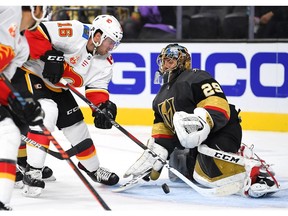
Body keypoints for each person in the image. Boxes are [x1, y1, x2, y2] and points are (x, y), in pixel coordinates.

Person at [124, 43, 279, 198]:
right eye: (164, 61)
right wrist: (156, 152)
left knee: (206, 175)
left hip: (222, 130)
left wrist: (202, 121)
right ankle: (228, 158)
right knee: (180, 172)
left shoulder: (195, 76)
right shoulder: (159, 98)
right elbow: (163, 133)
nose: (165, 65)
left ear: (183, 62)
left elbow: (219, 104)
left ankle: (254, 173)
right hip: (195, 144)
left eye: (170, 61)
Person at [10, 14, 123, 198]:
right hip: (30, 73)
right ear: (98, 36)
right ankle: (33, 171)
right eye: (110, 42)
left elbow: (97, 88)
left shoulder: (105, 62)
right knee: (47, 112)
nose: (112, 47)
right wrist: (49, 54)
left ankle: (93, 169)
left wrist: (103, 107)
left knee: (77, 126)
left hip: (57, 86)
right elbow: (34, 32)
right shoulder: (75, 30)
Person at [0, 6, 48, 211]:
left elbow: (3, 83)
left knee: (9, 133)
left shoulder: (22, 47)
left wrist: (19, 102)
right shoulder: (9, 8)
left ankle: (2, 200)